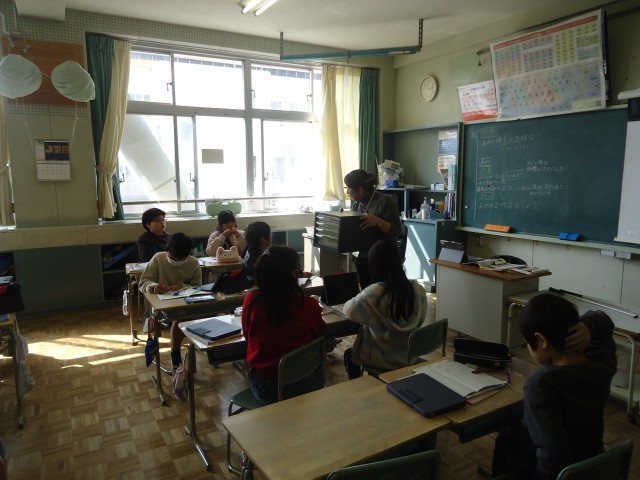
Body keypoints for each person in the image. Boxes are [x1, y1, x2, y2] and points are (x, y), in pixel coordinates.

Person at [491, 293, 616, 480]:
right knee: (507, 440)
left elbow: (554, 457)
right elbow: (604, 323)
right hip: (590, 461)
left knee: (509, 440)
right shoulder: (602, 364)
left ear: (541, 340)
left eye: (527, 343)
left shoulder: (541, 385)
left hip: (558, 473)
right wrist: (588, 327)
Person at [241, 245, 326, 404]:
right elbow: (320, 334)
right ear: (294, 274)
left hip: (269, 390)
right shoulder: (309, 304)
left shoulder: (252, 301)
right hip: (310, 382)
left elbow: (247, 336)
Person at [342, 240, 428, 379]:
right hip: (409, 355)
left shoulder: (371, 295)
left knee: (349, 354)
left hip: (381, 359)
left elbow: (349, 311)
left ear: (373, 266)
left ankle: (358, 385)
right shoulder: (418, 290)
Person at [139, 232, 202, 373]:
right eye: (173, 258)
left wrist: (182, 286)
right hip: (161, 305)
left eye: (181, 259)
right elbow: (143, 283)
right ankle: (175, 354)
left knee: (183, 316)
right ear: (167, 250)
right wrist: (153, 286)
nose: (176, 262)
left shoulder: (193, 262)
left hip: (184, 303)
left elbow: (198, 286)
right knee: (179, 318)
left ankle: (179, 352)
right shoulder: (158, 258)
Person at [344, 169, 402, 288]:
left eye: (348, 188)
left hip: (383, 258)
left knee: (381, 292)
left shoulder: (385, 201)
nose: (347, 192)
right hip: (363, 256)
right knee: (367, 292)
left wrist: (378, 221)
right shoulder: (356, 203)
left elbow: (396, 230)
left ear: (360, 190)